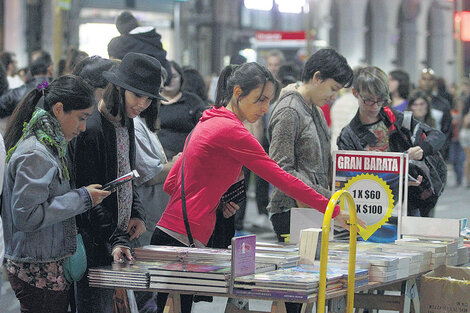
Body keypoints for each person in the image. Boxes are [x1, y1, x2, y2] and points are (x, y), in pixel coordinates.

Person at [152, 62, 360, 313]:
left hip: (169, 232)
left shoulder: (208, 119)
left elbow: (171, 184)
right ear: (238, 93)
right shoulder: (232, 131)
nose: (265, 108)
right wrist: (333, 212)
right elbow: (282, 178)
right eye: (260, 100)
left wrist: (213, 199)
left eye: (268, 101)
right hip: (184, 240)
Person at [1, 75, 110, 313]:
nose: (82, 128)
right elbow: (26, 216)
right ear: (59, 109)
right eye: (81, 118)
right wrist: (82, 198)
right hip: (36, 270)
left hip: (44, 266)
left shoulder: (50, 145)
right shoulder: (36, 153)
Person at [71, 52, 167, 312]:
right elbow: (90, 199)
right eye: (138, 95)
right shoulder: (90, 129)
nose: (144, 103)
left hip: (119, 241)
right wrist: (117, 238)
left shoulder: (127, 123)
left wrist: (136, 213)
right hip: (95, 243)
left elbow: (127, 177)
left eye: (149, 98)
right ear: (119, 89)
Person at [268, 48, 354, 242]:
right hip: (292, 212)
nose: (334, 96)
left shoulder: (315, 109)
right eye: (333, 88)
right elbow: (280, 169)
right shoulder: (290, 110)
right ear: (317, 77)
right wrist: (324, 197)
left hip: (314, 208)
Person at [337, 66, 446, 217]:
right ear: (356, 93)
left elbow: (437, 136)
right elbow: (349, 180)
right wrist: (396, 180)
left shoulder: (397, 119)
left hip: (408, 204)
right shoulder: (348, 136)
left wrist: (422, 150)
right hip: (372, 208)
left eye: (380, 100)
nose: (375, 106)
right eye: (368, 100)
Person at [158, 61, 207, 159]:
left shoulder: (193, 101)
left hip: (186, 158)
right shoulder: (151, 102)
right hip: (156, 158)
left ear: (181, 78)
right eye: (167, 76)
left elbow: (205, 129)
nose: (170, 80)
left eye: (174, 76)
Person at [107, 11, 172, 85]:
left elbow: (113, 67)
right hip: (158, 86)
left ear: (120, 30)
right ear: (137, 23)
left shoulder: (118, 44)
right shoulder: (154, 38)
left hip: (132, 88)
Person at [418, 68, 452, 160]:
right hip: (416, 149)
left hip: (436, 150)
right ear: (419, 81)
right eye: (424, 79)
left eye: (430, 79)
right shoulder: (412, 102)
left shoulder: (443, 104)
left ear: (434, 82)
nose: (427, 82)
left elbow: (447, 129)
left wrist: (443, 149)